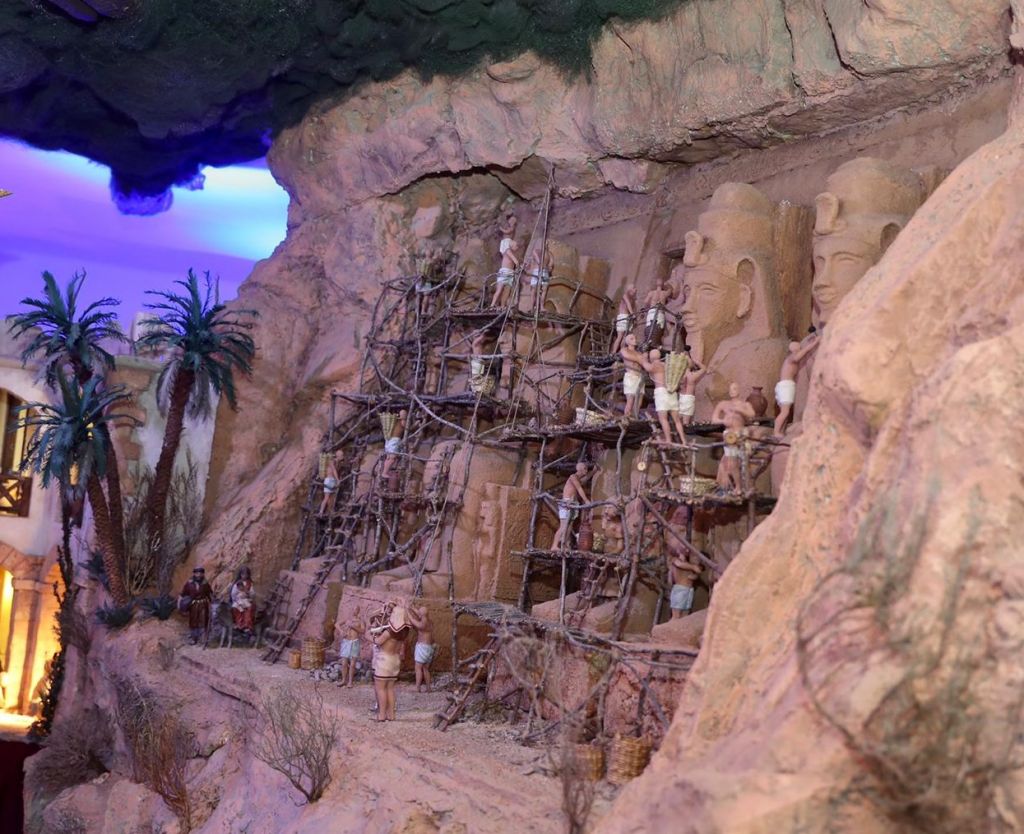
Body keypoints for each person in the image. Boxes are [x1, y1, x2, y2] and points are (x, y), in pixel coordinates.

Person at [711, 383, 756, 494]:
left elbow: (752, 414)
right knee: (731, 462)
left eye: (735, 389)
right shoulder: (724, 404)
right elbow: (714, 419)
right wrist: (723, 421)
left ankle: (746, 487)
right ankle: (737, 487)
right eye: (730, 389)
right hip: (729, 435)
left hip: (741, 434)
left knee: (744, 460)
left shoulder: (745, 404)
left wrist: (739, 410)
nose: (732, 391)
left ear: (739, 390)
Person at [774, 333, 820, 436]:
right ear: (794, 349)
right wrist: (815, 342)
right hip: (785, 386)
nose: (800, 348)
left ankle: (781, 431)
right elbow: (803, 353)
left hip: (786, 386)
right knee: (785, 412)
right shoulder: (792, 357)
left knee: (785, 412)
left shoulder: (791, 358)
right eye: (798, 347)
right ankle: (776, 432)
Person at [370, 602, 407, 722]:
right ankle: (391, 715)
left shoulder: (389, 632)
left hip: (385, 661)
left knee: (381, 688)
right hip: (395, 660)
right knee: (390, 688)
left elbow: (378, 641)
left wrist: (369, 635)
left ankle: (381, 715)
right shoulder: (403, 632)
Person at [641, 348, 686, 444]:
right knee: (677, 420)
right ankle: (683, 440)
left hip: (661, 393)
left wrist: (644, 357)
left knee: (663, 419)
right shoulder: (666, 365)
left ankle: (668, 440)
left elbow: (645, 365)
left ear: (651, 357)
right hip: (671, 391)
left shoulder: (654, 366)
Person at [551, 462, 592, 551]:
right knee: (563, 526)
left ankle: (564, 544)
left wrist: (594, 471)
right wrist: (586, 500)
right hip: (566, 503)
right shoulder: (573, 477)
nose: (586, 470)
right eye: (585, 468)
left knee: (569, 526)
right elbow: (579, 488)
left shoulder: (578, 479)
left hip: (573, 504)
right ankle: (554, 545)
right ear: (580, 469)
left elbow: (586, 479)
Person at [179, 566, 213, 644]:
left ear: (203, 574)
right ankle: (194, 638)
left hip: (203, 605)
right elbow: (183, 594)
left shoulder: (205, 584)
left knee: (203, 620)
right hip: (193, 605)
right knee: (193, 621)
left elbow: (210, 594)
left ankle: (203, 638)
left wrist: (212, 603)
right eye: (197, 573)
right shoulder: (189, 583)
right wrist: (180, 605)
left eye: (200, 573)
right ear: (194, 574)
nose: (199, 575)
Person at [407, 604, 436, 693]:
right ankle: (428, 688)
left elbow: (413, 621)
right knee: (425, 668)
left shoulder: (422, 624)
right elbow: (420, 614)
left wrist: (407, 611)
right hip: (429, 647)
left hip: (423, 648)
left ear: (421, 615)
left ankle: (417, 688)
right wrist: (412, 608)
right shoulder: (429, 621)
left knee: (418, 668)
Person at [677, 350, 709, 426]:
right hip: (689, 398)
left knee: (678, 422)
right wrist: (695, 361)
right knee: (686, 422)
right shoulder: (692, 376)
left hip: (680, 398)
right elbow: (704, 369)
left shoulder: (679, 376)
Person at [642, 276, 676, 347]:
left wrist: (645, 309)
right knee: (658, 329)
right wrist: (667, 284)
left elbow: (645, 302)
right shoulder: (664, 293)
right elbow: (670, 290)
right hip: (660, 312)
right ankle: (654, 344)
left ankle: (648, 343)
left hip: (652, 311)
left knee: (649, 328)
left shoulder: (651, 293)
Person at [334, 605, 363, 688]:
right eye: (353, 609)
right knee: (344, 663)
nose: (354, 611)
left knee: (353, 664)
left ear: (358, 611)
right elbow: (337, 624)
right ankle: (343, 680)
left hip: (354, 642)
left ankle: (350, 682)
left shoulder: (360, 621)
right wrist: (341, 631)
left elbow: (363, 631)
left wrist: (353, 626)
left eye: (356, 609)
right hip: (346, 642)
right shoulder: (347, 619)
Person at [619, 333, 646, 418]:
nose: (634, 340)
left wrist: (642, 358)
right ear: (627, 342)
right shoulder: (624, 350)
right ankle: (626, 417)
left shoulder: (638, 353)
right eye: (632, 338)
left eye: (635, 338)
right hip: (631, 376)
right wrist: (640, 358)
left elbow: (644, 362)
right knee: (630, 400)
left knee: (639, 401)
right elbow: (628, 357)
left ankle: (635, 418)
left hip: (640, 377)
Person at [489, 238, 521, 308]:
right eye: (516, 246)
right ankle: (492, 305)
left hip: (510, 272)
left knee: (507, 290)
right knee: (499, 289)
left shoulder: (513, 252)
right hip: (504, 272)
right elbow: (515, 261)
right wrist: (518, 264)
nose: (517, 248)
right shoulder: (507, 251)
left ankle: (502, 306)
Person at [524, 240, 554, 313]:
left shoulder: (549, 254)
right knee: (534, 290)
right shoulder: (536, 251)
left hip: (544, 272)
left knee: (543, 290)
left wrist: (547, 267)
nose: (546, 244)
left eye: (547, 243)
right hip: (537, 272)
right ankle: (532, 307)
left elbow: (550, 266)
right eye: (545, 243)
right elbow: (539, 262)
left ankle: (541, 307)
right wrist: (546, 266)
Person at [380, 409, 408, 482]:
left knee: (389, 457)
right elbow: (408, 428)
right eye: (404, 414)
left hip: (388, 440)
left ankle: (385, 471)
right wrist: (416, 424)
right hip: (395, 440)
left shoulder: (395, 421)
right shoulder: (402, 421)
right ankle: (384, 472)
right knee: (392, 457)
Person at [229, 567, 255, 641]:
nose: (244, 576)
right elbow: (233, 594)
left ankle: (247, 626)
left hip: (246, 600)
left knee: (249, 609)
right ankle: (239, 624)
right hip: (238, 600)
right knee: (235, 608)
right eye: (243, 574)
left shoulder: (249, 584)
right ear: (240, 574)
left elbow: (253, 593)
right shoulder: (237, 583)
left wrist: (249, 594)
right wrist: (237, 599)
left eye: (246, 574)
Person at [612, 287, 637, 354]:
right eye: (634, 291)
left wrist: (634, 318)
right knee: (620, 336)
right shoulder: (625, 295)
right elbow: (628, 304)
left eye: (635, 292)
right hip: (623, 317)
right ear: (630, 290)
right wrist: (632, 314)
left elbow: (633, 308)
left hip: (628, 318)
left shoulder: (633, 300)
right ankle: (613, 352)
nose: (635, 293)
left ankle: (622, 353)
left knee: (625, 338)